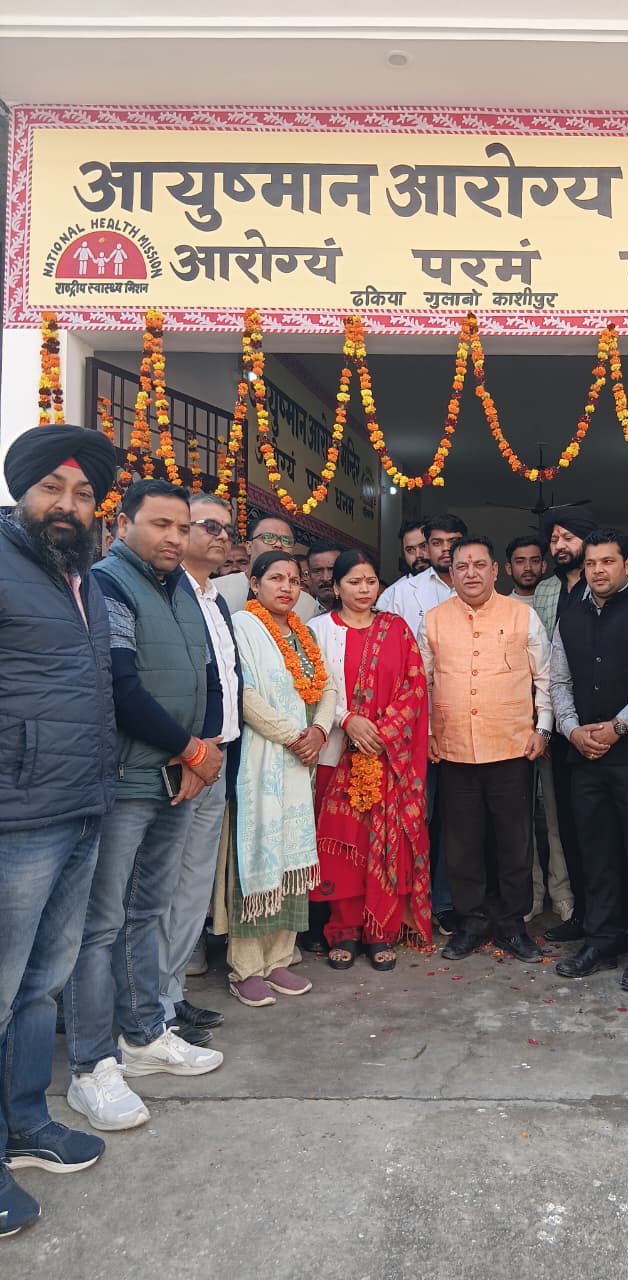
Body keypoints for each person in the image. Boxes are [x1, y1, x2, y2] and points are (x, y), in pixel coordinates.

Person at [65, 479, 223, 1135]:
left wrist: (203, 749)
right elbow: (121, 686)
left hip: (177, 776)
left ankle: (143, 1035)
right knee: (100, 924)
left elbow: (209, 673)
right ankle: (89, 1066)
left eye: (183, 528)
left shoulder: (180, 586)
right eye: (161, 524)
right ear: (122, 524)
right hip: (128, 779)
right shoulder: (109, 584)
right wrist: (191, 749)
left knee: (147, 910)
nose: (175, 538)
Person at [0, 425, 117, 1237]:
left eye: (82, 493)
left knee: (42, 983)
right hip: (16, 815)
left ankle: (25, 1122)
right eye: (53, 489)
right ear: (23, 492)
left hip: (79, 806)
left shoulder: (83, 579)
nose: (68, 505)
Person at [421, 535, 552, 962]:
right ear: (451, 573)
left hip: (512, 747)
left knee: (514, 843)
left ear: (495, 571)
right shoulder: (433, 621)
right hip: (454, 748)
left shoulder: (522, 616)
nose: (471, 573)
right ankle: (472, 923)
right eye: (461, 567)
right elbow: (422, 683)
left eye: (479, 565)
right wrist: (427, 734)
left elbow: (546, 677)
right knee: (462, 846)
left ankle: (512, 925)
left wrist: (543, 729)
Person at [551, 529, 628, 992]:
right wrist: (571, 729)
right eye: (591, 563)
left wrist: (620, 725)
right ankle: (602, 940)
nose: (598, 570)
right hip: (584, 755)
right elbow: (559, 682)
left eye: (607, 561)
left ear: (627, 565)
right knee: (595, 853)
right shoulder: (570, 617)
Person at [309, 550, 431, 970]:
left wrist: (383, 733)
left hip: (388, 755)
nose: (364, 590)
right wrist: (348, 720)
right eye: (354, 582)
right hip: (334, 754)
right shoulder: (318, 630)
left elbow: (415, 686)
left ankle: (381, 930)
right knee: (344, 846)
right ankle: (342, 930)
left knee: (386, 845)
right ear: (336, 586)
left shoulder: (396, 629)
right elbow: (311, 688)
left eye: (371, 581)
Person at [533, 506, 628, 943]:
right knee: (577, 830)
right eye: (554, 539)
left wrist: (618, 726)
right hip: (570, 735)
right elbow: (552, 669)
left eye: (568, 537)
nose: (560, 545)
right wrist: (563, 726)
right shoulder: (549, 592)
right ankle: (586, 917)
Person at [228, 551, 338, 1006]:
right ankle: (246, 967)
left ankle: (279, 960)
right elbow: (244, 693)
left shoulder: (303, 633)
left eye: (294, 579)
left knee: (293, 856)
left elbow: (327, 687)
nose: (287, 587)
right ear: (255, 584)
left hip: (300, 762)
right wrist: (294, 735)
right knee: (259, 853)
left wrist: (319, 731)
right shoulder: (243, 626)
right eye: (276, 578)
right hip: (262, 760)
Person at [157, 494, 242, 1045]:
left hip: (219, 756)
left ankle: (169, 996)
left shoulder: (216, 599)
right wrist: (190, 750)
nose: (220, 535)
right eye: (208, 525)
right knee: (162, 888)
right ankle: (151, 1007)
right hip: (186, 757)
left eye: (226, 529)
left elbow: (226, 679)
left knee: (192, 885)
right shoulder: (169, 592)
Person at [378, 513, 467, 935]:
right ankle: (406, 902)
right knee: (417, 816)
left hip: (466, 726)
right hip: (414, 729)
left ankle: (445, 902)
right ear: (425, 547)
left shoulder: (477, 587)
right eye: (437, 542)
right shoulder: (399, 595)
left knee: (457, 819)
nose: (445, 549)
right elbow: (384, 662)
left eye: (453, 541)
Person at [504, 533, 571, 921]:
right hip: (513, 729)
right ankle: (531, 893)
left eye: (534, 560)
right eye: (520, 560)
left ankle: (562, 893)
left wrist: (545, 725)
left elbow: (551, 672)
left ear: (544, 565)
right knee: (521, 819)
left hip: (552, 725)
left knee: (556, 816)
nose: (528, 567)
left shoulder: (558, 598)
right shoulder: (501, 609)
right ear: (507, 568)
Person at [216, 513, 318, 623]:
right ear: (249, 547)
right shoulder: (217, 589)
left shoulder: (308, 605)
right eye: (268, 538)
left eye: (286, 541)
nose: (278, 544)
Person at [305, 538, 346, 612]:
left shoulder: (365, 612)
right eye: (317, 571)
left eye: (332, 569)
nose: (325, 578)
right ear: (309, 575)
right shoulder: (299, 613)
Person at [504, 535, 547, 599]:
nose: (528, 568)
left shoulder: (556, 602)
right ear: (509, 569)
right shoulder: (501, 605)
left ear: (543, 566)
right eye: (520, 562)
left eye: (535, 561)